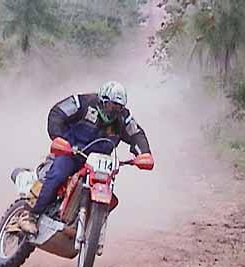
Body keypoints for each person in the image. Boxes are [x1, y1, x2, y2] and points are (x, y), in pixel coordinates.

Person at [19, 81, 154, 234]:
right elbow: (58, 113)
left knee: (111, 198)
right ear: (102, 100)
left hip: (97, 164)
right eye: (111, 106)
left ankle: (88, 229)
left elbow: (136, 134)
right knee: (58, 175)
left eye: (118, 107)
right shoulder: (83, 102)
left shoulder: (123, 118)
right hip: (72, 153)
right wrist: (58, 137)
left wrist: (144, 154)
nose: (114, 111)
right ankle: (30, 215)